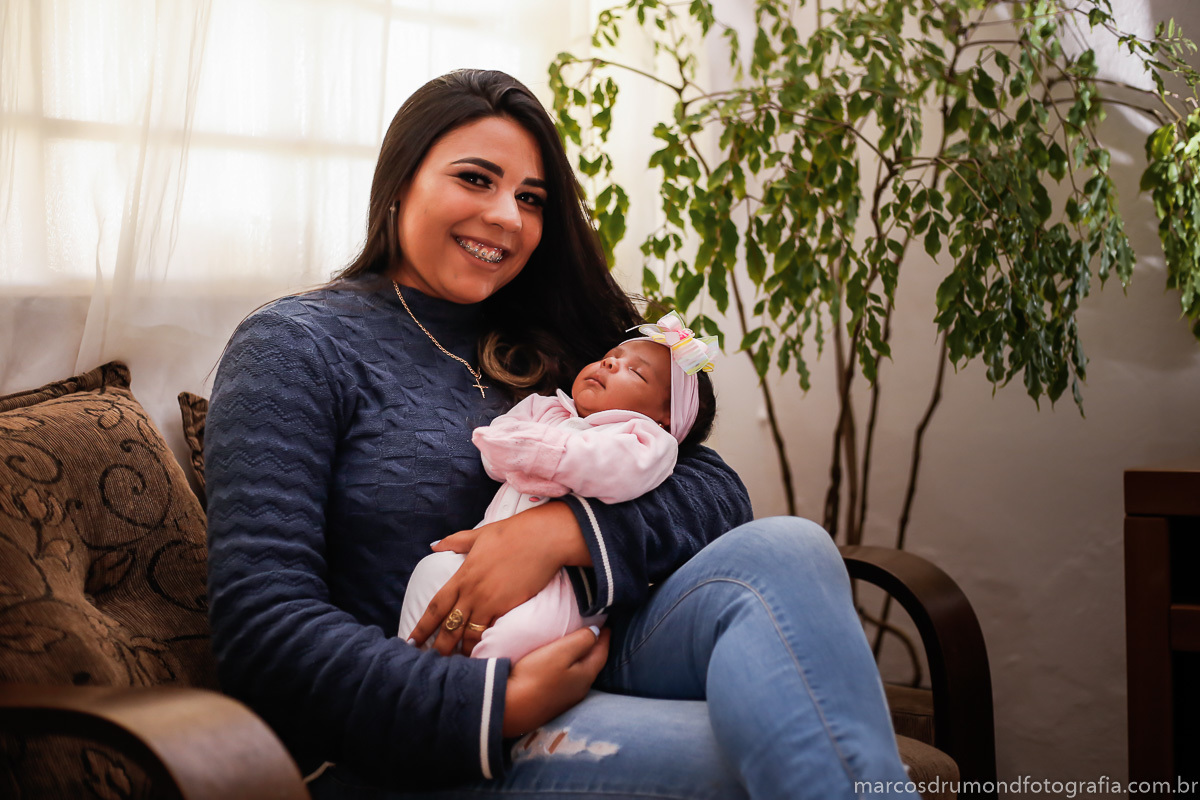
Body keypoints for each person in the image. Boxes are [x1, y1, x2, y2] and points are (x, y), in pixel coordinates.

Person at [204, 68, 918, 799]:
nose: (508, 217)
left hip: (601, 643)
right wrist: (494, 703)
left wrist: (560, 534)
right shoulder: (294, 346)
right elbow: (262, 628)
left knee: (791, 547)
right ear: (399, 180)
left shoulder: (561, 333)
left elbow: (713, 489)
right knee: (757, 757)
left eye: (531, 198)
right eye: (476, 179)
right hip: (424, 729)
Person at [399, 316, 718, 663]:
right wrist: (516, 447)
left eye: (636, 372)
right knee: (431, 571)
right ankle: (411, 670)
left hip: (563, 586)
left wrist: (544, 453)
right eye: (610, 356)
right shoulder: (547, 408)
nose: (610, 362)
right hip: (484, 548)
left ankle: (484, 692)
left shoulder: (645, 440)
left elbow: (612, 471)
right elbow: (495, 451)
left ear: (665, 417)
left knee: (515, 638)